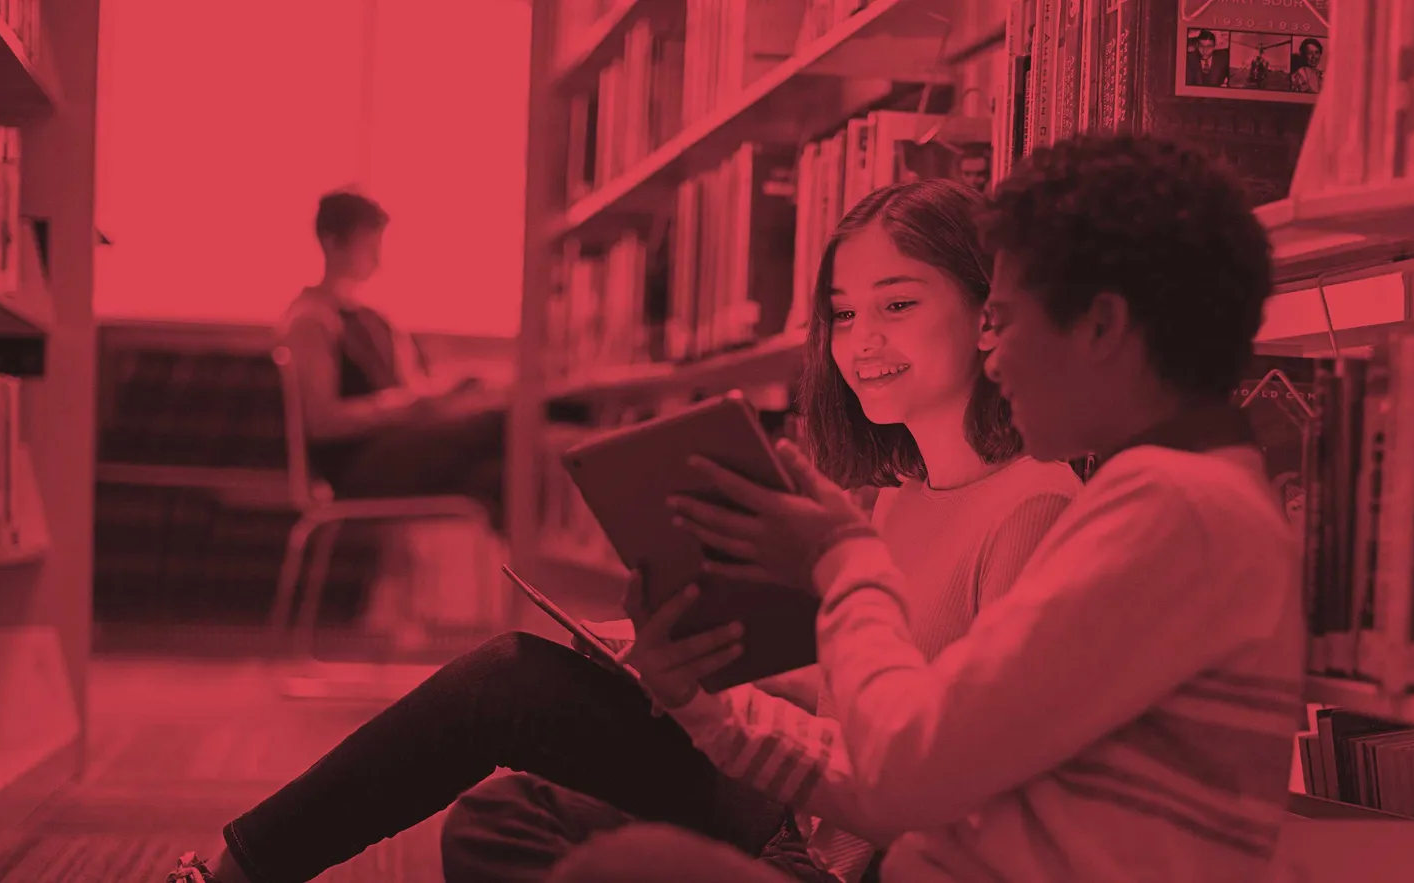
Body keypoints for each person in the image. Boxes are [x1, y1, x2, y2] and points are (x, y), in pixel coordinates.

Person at [161, 177, 1080, 883]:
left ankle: (229, 874)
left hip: (853, 857)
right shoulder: (903, 494)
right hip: (803, 815)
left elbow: (955, 782)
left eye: (899, 303)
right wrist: (692, 664)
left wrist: (725, 709)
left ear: (985, 305)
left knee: (509, 693)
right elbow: (862, 691)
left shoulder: (1032, 510)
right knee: (498, 816)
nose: (862, 339)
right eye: (843, 313)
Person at [545, 133, 1307, 883]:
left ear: (1101, 326)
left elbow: (905, 771)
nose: (995, 355)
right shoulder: (1168, 498)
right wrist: (701, 704)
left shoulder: (1175, 513)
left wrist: (845, 563)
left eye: (1005, 320)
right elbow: (903, 762)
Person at [278, 189, 509, 529]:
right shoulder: (310, 320)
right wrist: (403, 405)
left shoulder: (378, 321)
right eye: (369, 246)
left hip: (396, 444)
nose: (377, 258)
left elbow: (413, 394)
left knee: (501, 478)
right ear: (332, 242)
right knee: (503, 423)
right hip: (357, 465)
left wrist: (447, 398)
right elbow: (322, 422)